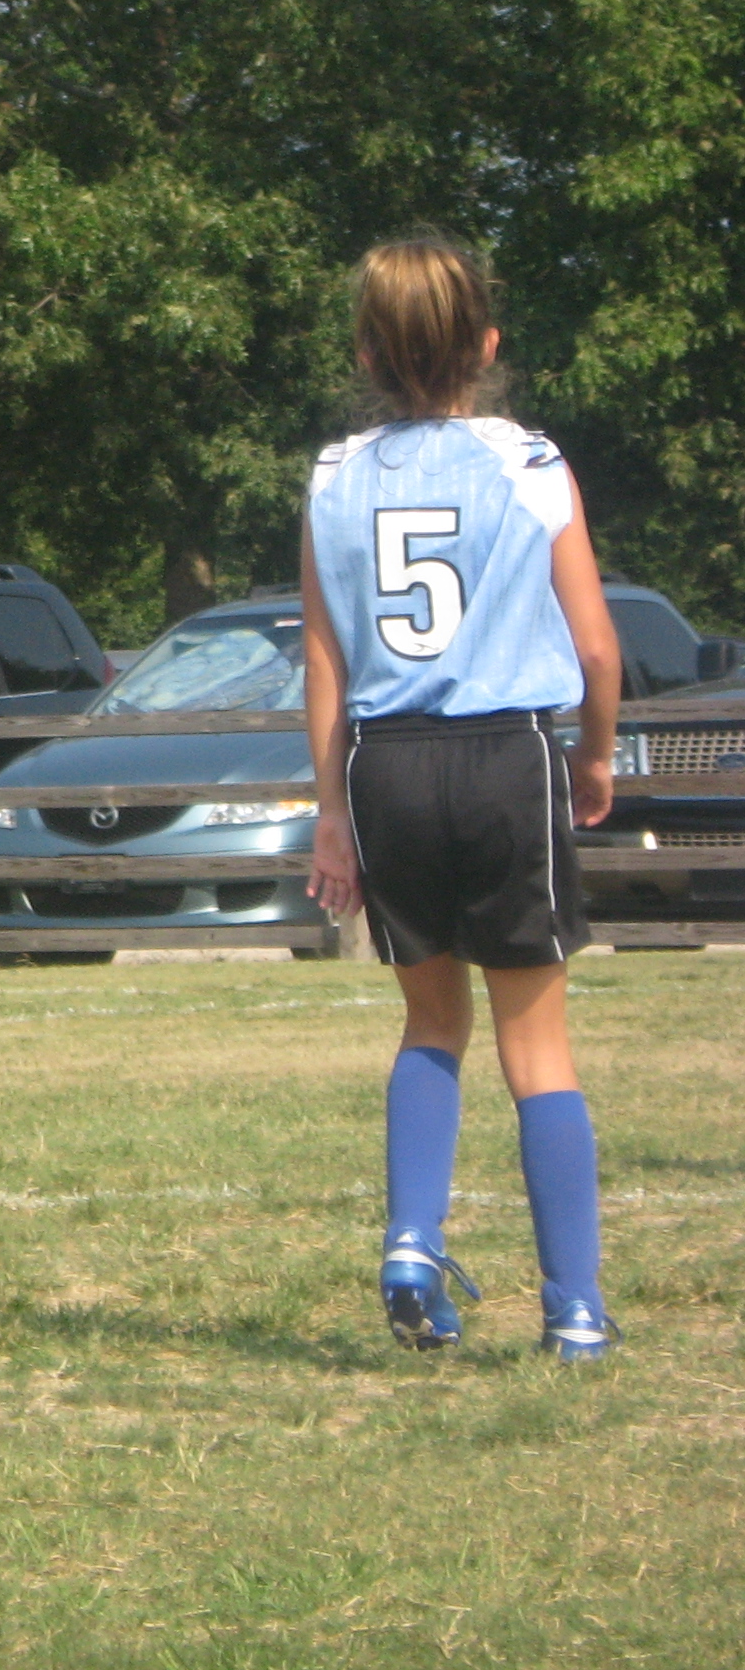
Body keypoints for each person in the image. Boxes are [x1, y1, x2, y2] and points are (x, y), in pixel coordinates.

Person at [302, 236, 624, 1361]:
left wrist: (331, 812)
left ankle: (411, 1242)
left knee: (430, 1024)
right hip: (504, 757)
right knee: (538, 1046)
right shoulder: (530, 461)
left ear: (366, 355)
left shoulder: (334, 477)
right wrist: (595, 759)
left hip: (384, 763)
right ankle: (574, 1306)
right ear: (486, 346)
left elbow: (324, 658)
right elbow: (596, 647)